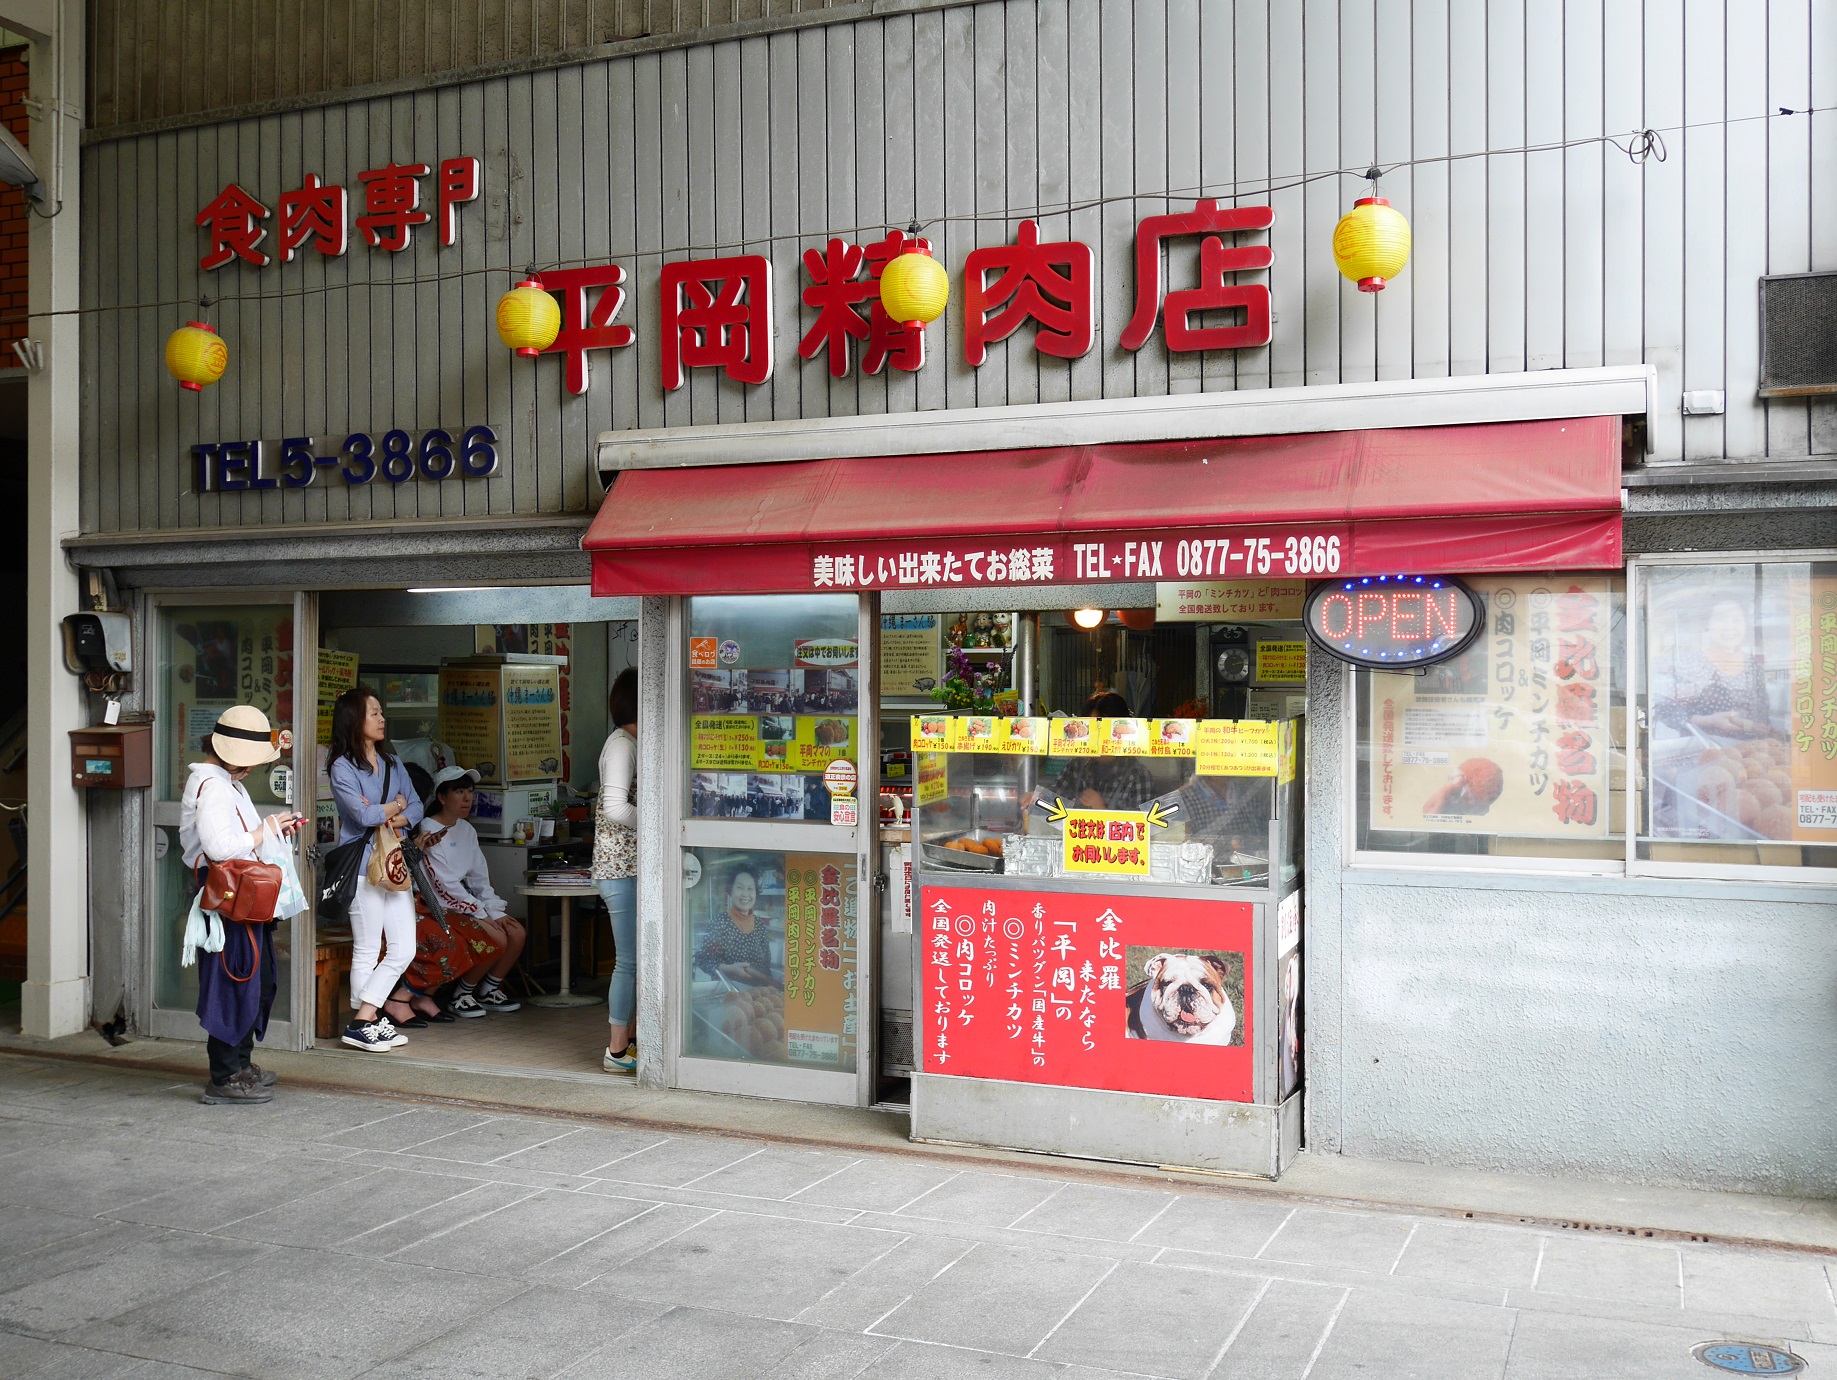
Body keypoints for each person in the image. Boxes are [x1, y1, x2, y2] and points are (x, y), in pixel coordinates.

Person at [180, 705, 305, 1104]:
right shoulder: (215, 786)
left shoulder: (224, 782)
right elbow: (221, 848)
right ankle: (225, 1075)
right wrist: (265, 829)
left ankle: (240, 1065)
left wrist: (271, 829)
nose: (252, 769)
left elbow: (235, 840)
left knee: (252, 979)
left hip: (238, 897)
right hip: (230, 899)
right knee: (236, 980)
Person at [327, 685, 424, 1052]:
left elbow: (417, 807)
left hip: (394, 864)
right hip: (362, 865)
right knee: (368, 949)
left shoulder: (394, 763)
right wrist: (395, 806)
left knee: (404, 948)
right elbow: (362, 815)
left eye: (382, 712)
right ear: (355, 720)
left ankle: (363, 1019)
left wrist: (392, 813)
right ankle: (368, 1021)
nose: (382, 719)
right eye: (374, 713)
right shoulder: (342, 766)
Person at [415, 766, 527, 1016]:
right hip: (437, 905)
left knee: (516, 932)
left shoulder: (467, 830)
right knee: (496, 937)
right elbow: (443, 885)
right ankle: (462, 995)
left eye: (470, 791)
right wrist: (481, 913)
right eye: (459, 792)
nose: (467, 798)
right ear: (442, 797)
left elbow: (479, 877)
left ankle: (488, 990)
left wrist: (494, 910)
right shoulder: (428, 830)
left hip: (466, 902)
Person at [594, 668, 639, 1074]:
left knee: (637, 959)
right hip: (620, 867)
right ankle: (617, 1051)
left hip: (628, 866)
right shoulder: (623, 745)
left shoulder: (630, 742)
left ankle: (634, 1042)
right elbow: (614, 808)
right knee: (628, 961)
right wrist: (657, 823)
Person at [1029, 692, 1155, 812]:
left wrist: (1101, 809)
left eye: (1100, 729)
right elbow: (1054, 798)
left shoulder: (1138, 776)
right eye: (1089, 729)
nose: (1094, 737)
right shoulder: (1078, 765)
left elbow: (1144, 824)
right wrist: (1037, 798)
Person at [692, 868, 777, 988]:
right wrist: (730, 968)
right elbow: (704, 960)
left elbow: (766, 966)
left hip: (758, 994)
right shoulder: (720, 923)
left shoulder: (760, 925)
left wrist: (772, 988)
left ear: (755, 893)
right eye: (740, 887)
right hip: (730, 993)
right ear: (730, 891)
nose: (745, 894)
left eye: (750, 888)